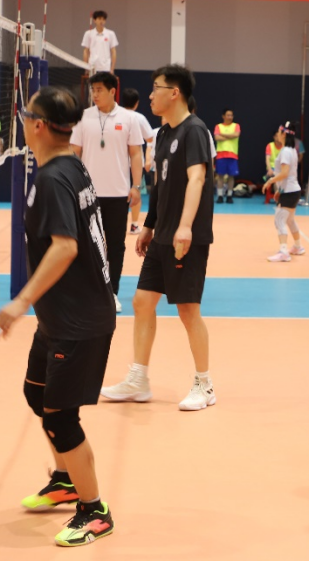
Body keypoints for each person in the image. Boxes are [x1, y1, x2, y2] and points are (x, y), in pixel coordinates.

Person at [0, 86, 117, 547]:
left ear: (39, 126)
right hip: (63, 317)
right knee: (37, 394)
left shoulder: (52, 178)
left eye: (27, 116)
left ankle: (95, 510)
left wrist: (19, 302)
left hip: (78, 322)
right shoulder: (70, 165)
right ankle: (66, 480)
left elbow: (65, 247)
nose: (23, 122)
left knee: (60, 418)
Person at [100, 64, 216, 412]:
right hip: (163, 235)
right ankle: (139, 379)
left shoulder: (195, 131)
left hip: (186, 237)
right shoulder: (162, 134)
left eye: (156, 88)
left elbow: (197, 180)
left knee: (188, 310)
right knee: (141, 302)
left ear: (174, 93)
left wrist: (185, 226)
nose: (150, 95)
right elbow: (161, 188)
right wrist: (149, 226)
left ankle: (205, 385)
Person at [70, 73, 144, 314]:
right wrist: (72, 183)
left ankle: (112, 293)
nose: (95, 94)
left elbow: (135, 154)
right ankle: (88, 292)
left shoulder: (129, 118)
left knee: (115, 246)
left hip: (118, 194)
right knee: (86, 245)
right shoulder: (83, 117)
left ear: (113, 91)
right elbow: (74, 152)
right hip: (87, 194)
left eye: (100, 89)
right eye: (93, 89)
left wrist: (136, 186)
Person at [262, 123, 305, 262]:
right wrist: (280, 190)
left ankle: (284, 252)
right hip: (292, 190)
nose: (277, 135)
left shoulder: (286, 151)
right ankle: (297, 247)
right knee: (290, 220)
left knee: (279, 220)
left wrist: (270, 181)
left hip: (290, 191)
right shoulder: (291, 150)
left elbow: (285, 173)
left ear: (284, 134)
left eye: (279, 132)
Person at [120, 88, 154, 234]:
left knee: (119, 195)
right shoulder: (139, 118)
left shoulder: (117, 116)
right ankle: (134, 225)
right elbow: (150, 137)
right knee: (136, 192)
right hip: (136, 164)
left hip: (119, 163)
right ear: (137, 103)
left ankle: (118, 224)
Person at [213, 108, 240, 205]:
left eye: (231, 115)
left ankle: (229, 196)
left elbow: (236, 135)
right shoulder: (218, 126)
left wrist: (223, 135)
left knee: (231, 176)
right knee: (220, 176)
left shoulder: (236, 126)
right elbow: (217, 137)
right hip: (221, 154)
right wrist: (229, 136)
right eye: (228, 115)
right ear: (223, 116)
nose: (230, 117)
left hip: (232, 154)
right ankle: (220, 196)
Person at [81, 10, 119, 75]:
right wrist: (86, 67)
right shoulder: (88, 34)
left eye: (103, 19)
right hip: (92, 67)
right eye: (99, 19)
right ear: (94, 20)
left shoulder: (111, 34)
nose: (101, 21)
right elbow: (86, 51)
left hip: (106, 68)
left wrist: (112, 69)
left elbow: (113, 51)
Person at [263, 131, 283, 204]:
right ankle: (278, 199)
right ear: (274, 137)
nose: (278, 137)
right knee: (276, 179)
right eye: (277, 136)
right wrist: (269, 169)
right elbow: (267, 159)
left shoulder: (284, 147)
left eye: (280, 136)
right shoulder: (270, 146)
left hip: (281, 170)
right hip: (272, 169)